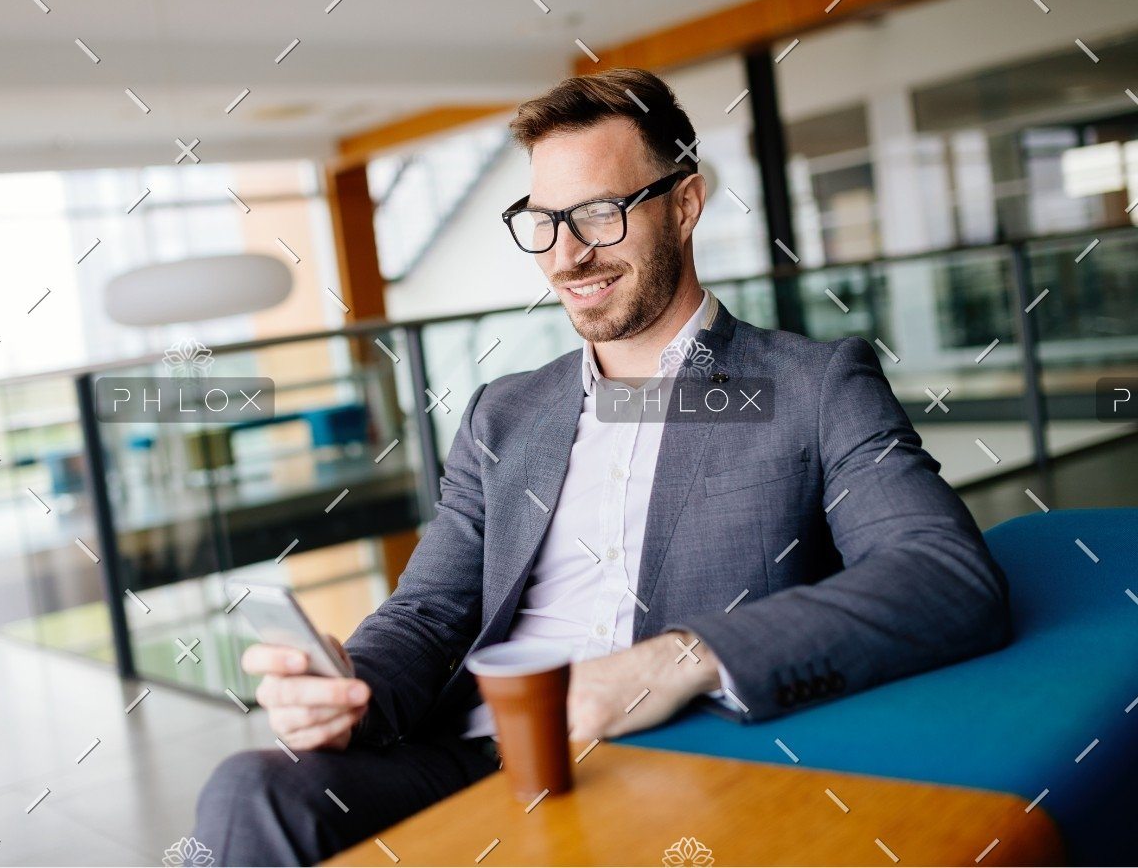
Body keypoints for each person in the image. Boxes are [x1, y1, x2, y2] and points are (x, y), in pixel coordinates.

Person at [192, 68, 1011, 865]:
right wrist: (348, 689)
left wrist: (674, 661)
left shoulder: (807, 386)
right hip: (479, 754)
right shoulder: (504, 415)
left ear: (684, 204)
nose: (567, 256)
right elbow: (429, 612)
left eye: (599, 214)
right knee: (251, 790)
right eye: (544, 222)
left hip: (669, 760)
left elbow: (944, 577)